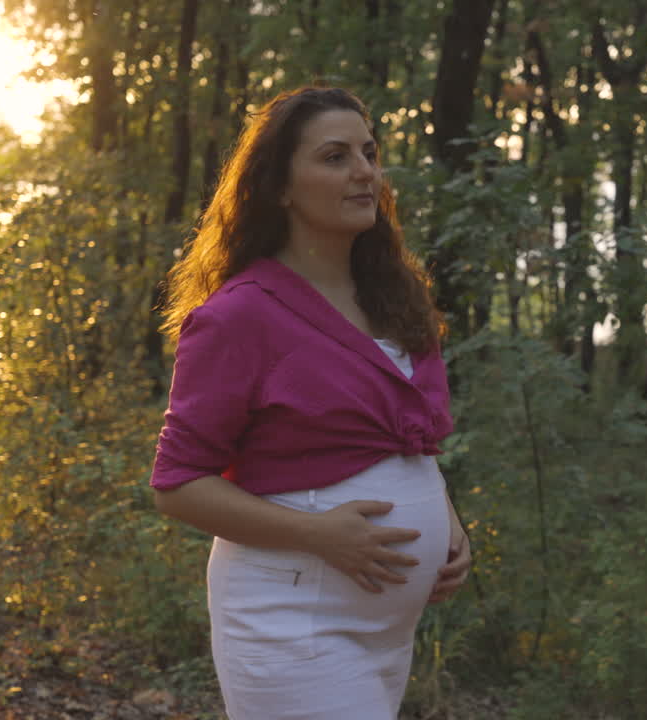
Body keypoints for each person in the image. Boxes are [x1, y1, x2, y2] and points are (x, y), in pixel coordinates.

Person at [148, 86, 472, 720]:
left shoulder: (395, 297)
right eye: (334, 157)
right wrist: (318, 535)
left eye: (369, 153)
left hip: (386, 633)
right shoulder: (240, 315)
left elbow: (404, 440)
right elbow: (178, 486)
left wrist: (446, 519)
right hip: (291, 616)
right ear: (279, 188)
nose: (364, 172)